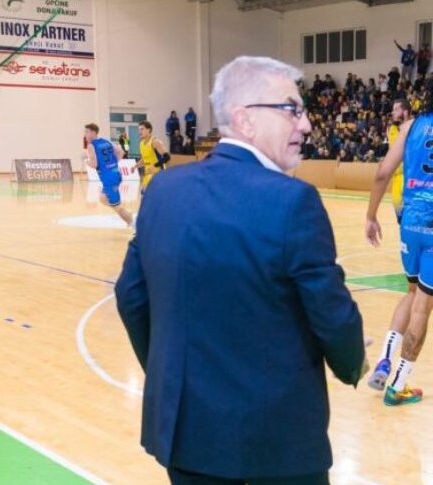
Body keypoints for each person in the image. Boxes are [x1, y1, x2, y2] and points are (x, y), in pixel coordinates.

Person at [116, 56, 366, 483]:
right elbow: (332, 313)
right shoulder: (294, 201)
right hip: (278, 443)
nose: (306, 124)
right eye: (291, 110)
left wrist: (172, 374)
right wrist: (352, 362)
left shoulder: (163, 190)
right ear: (244, 119)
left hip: (186, 433)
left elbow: (131, 297)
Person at [364, 80, 433, 406]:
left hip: (410, 220)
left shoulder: (410, 126)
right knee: (423, 306)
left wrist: (371, 216)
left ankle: (384, 360)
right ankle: (398, 386)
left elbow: (382, 173)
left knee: (410, 292)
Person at [84, 123, 134, 227]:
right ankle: (121, 210)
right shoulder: (106, 141)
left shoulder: (91, 145)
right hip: (116, 173)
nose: (85, 134)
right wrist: (113, 164)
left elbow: (94, 164)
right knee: (102, 198)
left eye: (87, 132)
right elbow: (121, 152)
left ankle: (133, 224)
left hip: (108, 178)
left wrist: (86, 161)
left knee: (117, 207)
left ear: (93, 133)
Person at [137, 121, 169, 193]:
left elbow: (167, 157)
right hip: (148, 173)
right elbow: (144, 159)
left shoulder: (155, 142)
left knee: (154, 196)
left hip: (158, 174)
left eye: (142, 129)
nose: (139, 132)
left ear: (149, 130)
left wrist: (154, 165)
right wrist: (136, 165)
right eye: (139, 129)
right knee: (144, 194)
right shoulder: (141, 143)